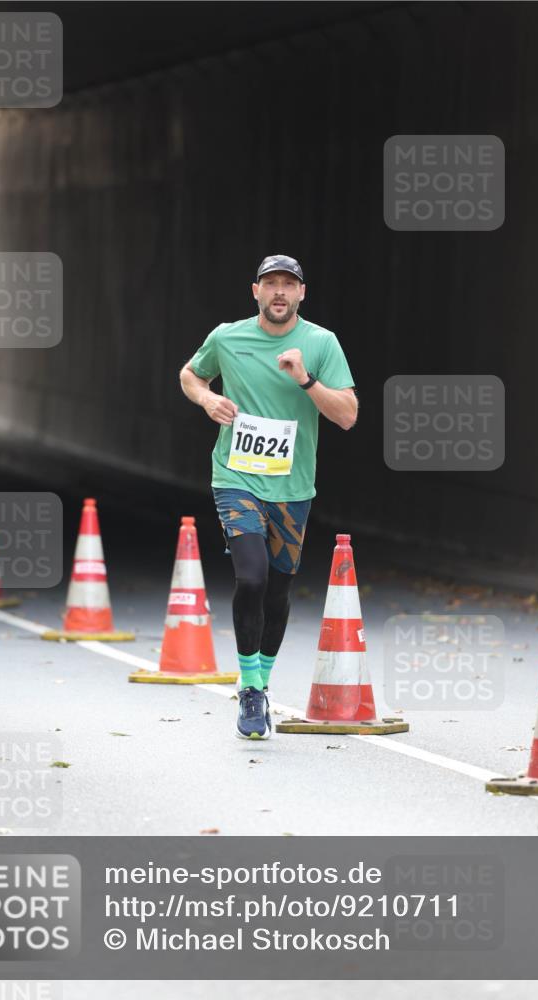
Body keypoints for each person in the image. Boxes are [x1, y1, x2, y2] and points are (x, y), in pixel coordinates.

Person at [180, 254, 357, 739]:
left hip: (293, 488)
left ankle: (261, 678)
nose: (279, 292)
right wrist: (207, 398)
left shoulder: (321, 344)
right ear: (254, 291)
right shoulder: (227, 337)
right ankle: (251, 692)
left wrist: (305, 378)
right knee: (252, 577)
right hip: (235, 476)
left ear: (302, 294)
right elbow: (190, 374)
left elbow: (347, 415)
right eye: (270, 284)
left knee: (279, 589)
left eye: (288, 285)